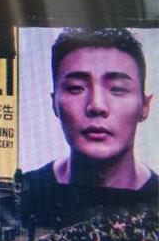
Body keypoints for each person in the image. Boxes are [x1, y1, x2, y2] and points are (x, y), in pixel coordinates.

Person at [24, 28, 157, 194]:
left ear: (144, 106)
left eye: (117, 89)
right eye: (76, 88)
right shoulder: (20, 194)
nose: (96, 106)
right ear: (54, 103)